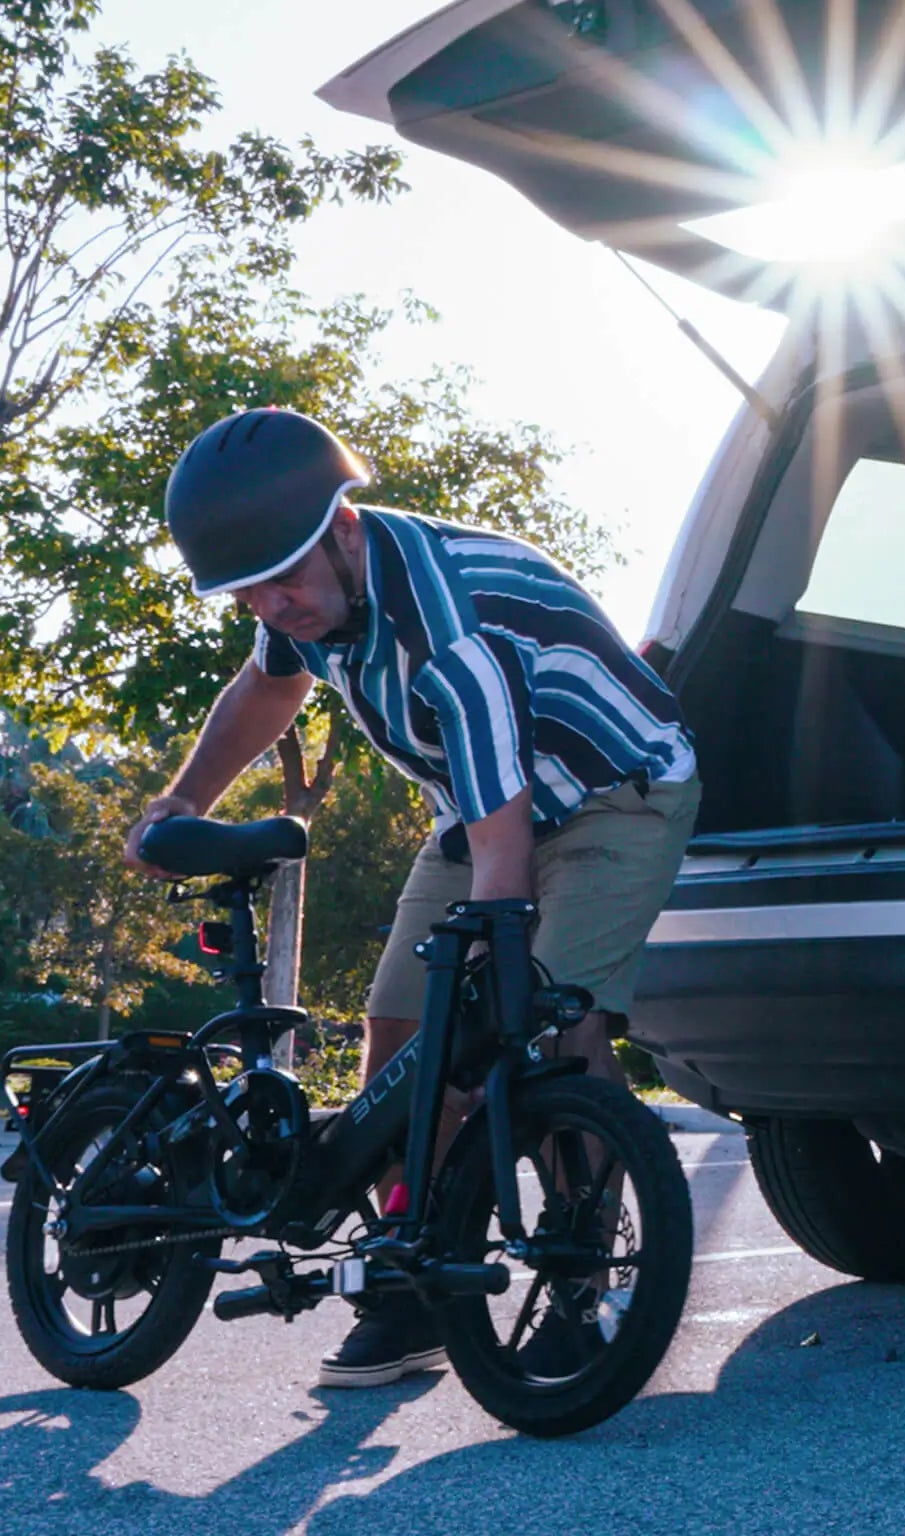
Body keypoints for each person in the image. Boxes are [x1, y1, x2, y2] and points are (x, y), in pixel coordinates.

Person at [123, 407, 700, 1388]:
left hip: (613, 791)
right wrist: (183, 797)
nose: (273, 604)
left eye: (286, 579)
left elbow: (505, 857)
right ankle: (416, 1276)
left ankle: (582, 1276)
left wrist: (499, 994)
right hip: (479, 805)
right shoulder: (308, 600)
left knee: (549, 1016)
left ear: (345, 529)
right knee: (399, 1036)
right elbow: (268, 691)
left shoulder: (446, 631)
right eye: (247, 592)